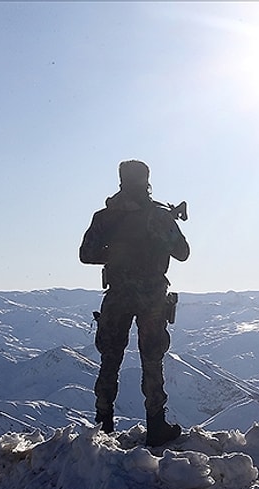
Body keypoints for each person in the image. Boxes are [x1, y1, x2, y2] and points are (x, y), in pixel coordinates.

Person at [79, 160, 190, 446]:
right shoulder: (159, 216)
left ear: (121, 180)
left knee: (109, 360)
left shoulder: (105, 217)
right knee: (152, 360)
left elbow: (87, 254)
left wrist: (116, 254)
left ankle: (103, 426)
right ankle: (156, 426)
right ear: (147, 180)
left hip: (117, 295)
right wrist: (163, 233)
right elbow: (182, 252)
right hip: (152, 296)